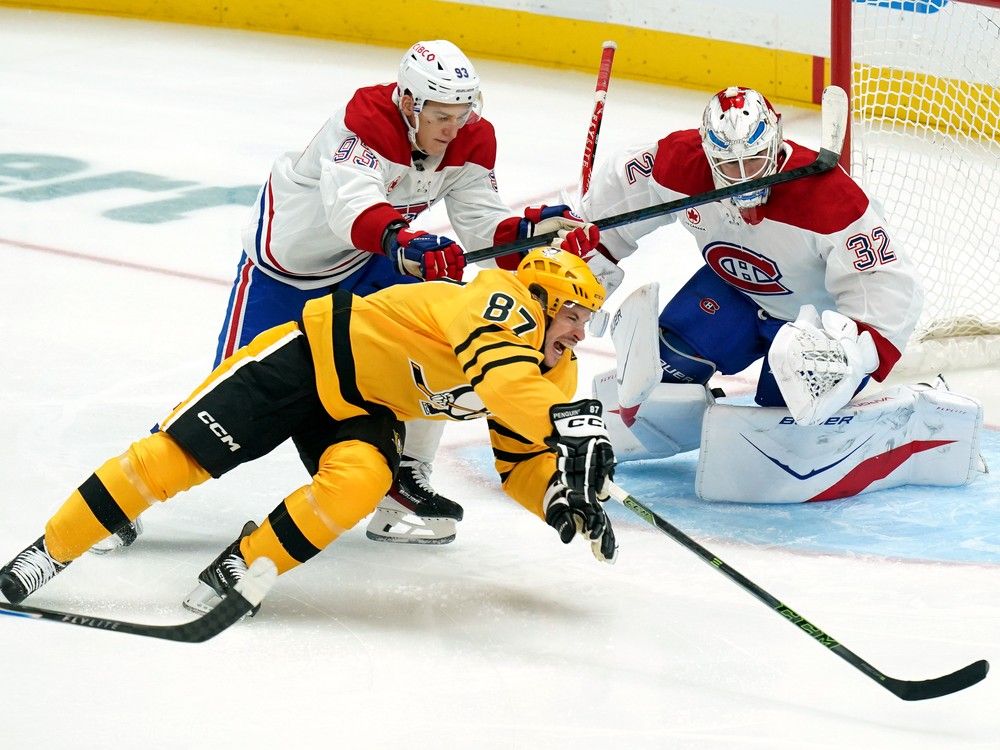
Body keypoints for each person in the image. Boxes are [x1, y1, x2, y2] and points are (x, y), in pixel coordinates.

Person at [99, 39, 598, 550]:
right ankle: (125, 497)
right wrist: (405, 242)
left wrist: (536, 233)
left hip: (367, 262)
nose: (455, 128)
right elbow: (351, 209)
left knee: (438, 340)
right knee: (234, 391)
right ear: (410, 104)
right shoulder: (366, 119)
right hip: (288, 269)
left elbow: (480, 223)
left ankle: (403, 479)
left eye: (463, 112)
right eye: (443, 115)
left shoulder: (471, 137)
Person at [0, 248, 618, 612]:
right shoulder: (498, 302)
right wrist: (571, 428)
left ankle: (242, 566)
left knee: (360, 481)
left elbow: (519, 461)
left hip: (360, 405)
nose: (578, 334)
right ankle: (49, 551)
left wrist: (558, 496)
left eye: (586, 321)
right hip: (306, 359)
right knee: (172, 461)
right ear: (536, 297)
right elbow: (504, 380)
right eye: (571, 314)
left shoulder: (553, 377)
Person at [575, 86, 973, 504]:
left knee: (780, 414)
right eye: (730, 165)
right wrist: (584, 268)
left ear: (776, 143)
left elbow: (889, 288)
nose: (745, 175)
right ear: (708, 156)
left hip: (814, 325)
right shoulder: (678, 164)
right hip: (735, 293)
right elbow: (611, 215)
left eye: (755, 160)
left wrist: (852, 355)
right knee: (660, 375)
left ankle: (908, 419)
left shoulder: (828, 198)